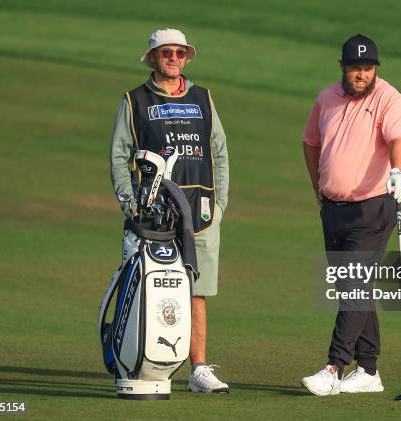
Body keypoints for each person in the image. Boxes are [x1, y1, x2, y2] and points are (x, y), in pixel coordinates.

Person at [109, 28, 230, 393]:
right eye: (166, 53)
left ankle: (198, 370)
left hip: (202, 213)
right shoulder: (135, 101)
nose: (174, 58)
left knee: (196, 291)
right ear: (152, 58)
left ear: (187, 57)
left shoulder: (203, 98)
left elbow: (218, 152)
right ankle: (138, 360)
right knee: (151, 286)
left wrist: (220, 203)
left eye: (180, 52)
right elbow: (119, 156)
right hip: (154, 217)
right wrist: (131, 205)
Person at [300, 34, 401, 396]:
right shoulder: (326, 98)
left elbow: (397, 139)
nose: (361, 74)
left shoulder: (389, 99)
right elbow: (310, 143)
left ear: (375, 69)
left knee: (355, 287)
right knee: (353, 287)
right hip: (333, 210)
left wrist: (398, 171)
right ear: (342, 68)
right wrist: (318, 186)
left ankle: (334, 367)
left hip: (372, 207)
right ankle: (368, 370)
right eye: (355, 68)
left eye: (367, 68)